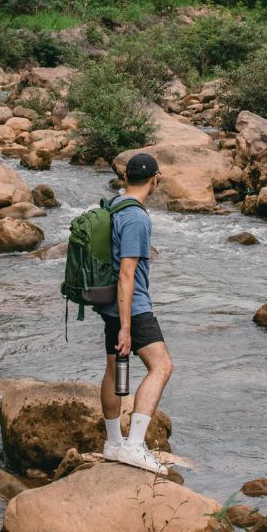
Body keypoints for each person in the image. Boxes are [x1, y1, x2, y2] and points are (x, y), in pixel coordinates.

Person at [101, 151, 173, 474]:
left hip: (111, 305)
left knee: (114, 370)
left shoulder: (115, 205)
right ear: (154, 180)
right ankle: (133, 445)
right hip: (133, 306)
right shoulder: (137, 218)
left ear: (127, 178)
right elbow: (127, 273)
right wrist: (127, 327)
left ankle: (113, 443)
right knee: (162, 366)